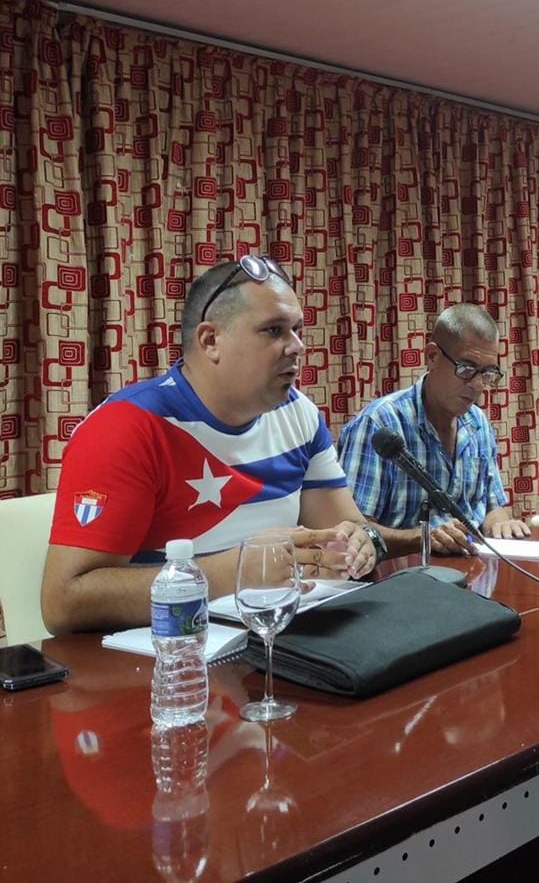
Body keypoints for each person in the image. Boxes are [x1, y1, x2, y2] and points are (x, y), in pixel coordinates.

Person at [42, 256, 381, 634]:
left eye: (297, 329)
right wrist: (233, 573)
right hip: (167, 657)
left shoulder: (299, 414)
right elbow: (63, 603)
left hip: (279, 641)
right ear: (210, 340)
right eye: (273, 331)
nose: (297, 346)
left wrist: (359, 542)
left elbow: (343, 526)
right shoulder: (127, 426)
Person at [337, 303, 529, 553]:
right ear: (432, 357)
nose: (478, 385)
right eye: (467, 369)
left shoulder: (477, 423)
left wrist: (502, 525)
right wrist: (423, 538)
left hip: (470, 569)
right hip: (401, 576)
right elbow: (355, 530)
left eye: (487, 373)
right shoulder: (380, 424)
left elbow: (492, 506)